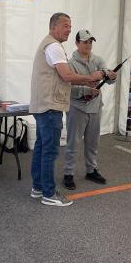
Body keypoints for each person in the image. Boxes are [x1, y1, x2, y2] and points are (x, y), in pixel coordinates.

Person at [29, 14, 103, 206]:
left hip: (43, 105)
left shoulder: (49, 45)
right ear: (53, 27)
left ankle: (38, 188)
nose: (69, 29)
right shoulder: (54, 46)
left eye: (70, 26)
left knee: (41, 147)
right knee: (49, 151)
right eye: (65, 25)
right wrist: (90, 78)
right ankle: (49, 194)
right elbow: (66, 75)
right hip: (50, 106)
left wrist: (88, 81)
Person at [62, 30, 116, 190]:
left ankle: (91, 170)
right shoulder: (70, 64)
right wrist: (86, 91)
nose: (88, 45)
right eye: (85, 42)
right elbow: (67, 88)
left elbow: (109, 80)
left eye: (90, 42)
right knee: (73, 142)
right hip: (76, 108)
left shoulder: (98, 60)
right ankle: (68, 173)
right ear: (77, 43)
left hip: (95, 107)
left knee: (93, 142)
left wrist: (112, 76)